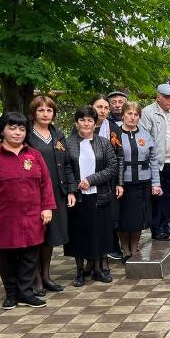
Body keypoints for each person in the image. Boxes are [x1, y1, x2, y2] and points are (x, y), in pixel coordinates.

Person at [0, 112, 55, 309]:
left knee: (29, 256)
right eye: (12, 128)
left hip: (32, 216)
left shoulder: (34, 156)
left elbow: (45, 184)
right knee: (7, 257)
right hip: (3, 218)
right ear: (2, 130)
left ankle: (26, 293)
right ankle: (11, 294)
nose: (17, 132)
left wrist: (47, 208)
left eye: (21, 129)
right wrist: (0, 200)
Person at [65, 106, 121, 286]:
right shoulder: (68, 143)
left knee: (100, 233)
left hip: (100, 195)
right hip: (78, 197)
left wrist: (91, 180)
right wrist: (73, 188)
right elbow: (65, 168)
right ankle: (80, 272)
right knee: (79, 233)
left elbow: (112, 168)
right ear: (76, 122)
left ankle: (98, 270)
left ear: (95, 123)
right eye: (82, 120)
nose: (86, 123)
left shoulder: (103, 142)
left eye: (90, 120)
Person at [27, 96, 75, 296]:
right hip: (34, 193)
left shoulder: (58, 135)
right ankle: (35, 278)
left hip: (57, 191)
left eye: (49, 110)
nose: (46, 114)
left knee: (51, 236)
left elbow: (67, 164)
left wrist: (71, 189)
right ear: (33, 113)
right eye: (41, 110)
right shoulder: (28, 136)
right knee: (37, 235)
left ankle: (46, 276)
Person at [118, 101, 162, 261]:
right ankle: (125, 249)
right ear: (123, 115)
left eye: (136, 114)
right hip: (123, 183)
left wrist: (156, 183)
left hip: (143, 181)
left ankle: (135, 248)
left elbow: (153, 159)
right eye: (129, 114)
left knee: (139, 218)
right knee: (124, 218)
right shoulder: (115, 133)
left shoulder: (145, 134)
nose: (133, 117)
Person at [140, 83, 170, 240]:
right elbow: (145, 139)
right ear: (158, 97)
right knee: (157, 196)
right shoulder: (148, 112)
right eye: (167, 98)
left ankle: (165, 225)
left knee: (169, 195)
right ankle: (157, 229)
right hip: (156, 162)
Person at [92, 93, 125, 264]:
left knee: (111, 215)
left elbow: (120, 155)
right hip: (88, 179)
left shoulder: (113, 128)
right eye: (99, 107)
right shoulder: (83, 126)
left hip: (110, 179)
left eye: (106, 107)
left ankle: (112, 246)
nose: (103, 110)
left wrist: (120, 182)